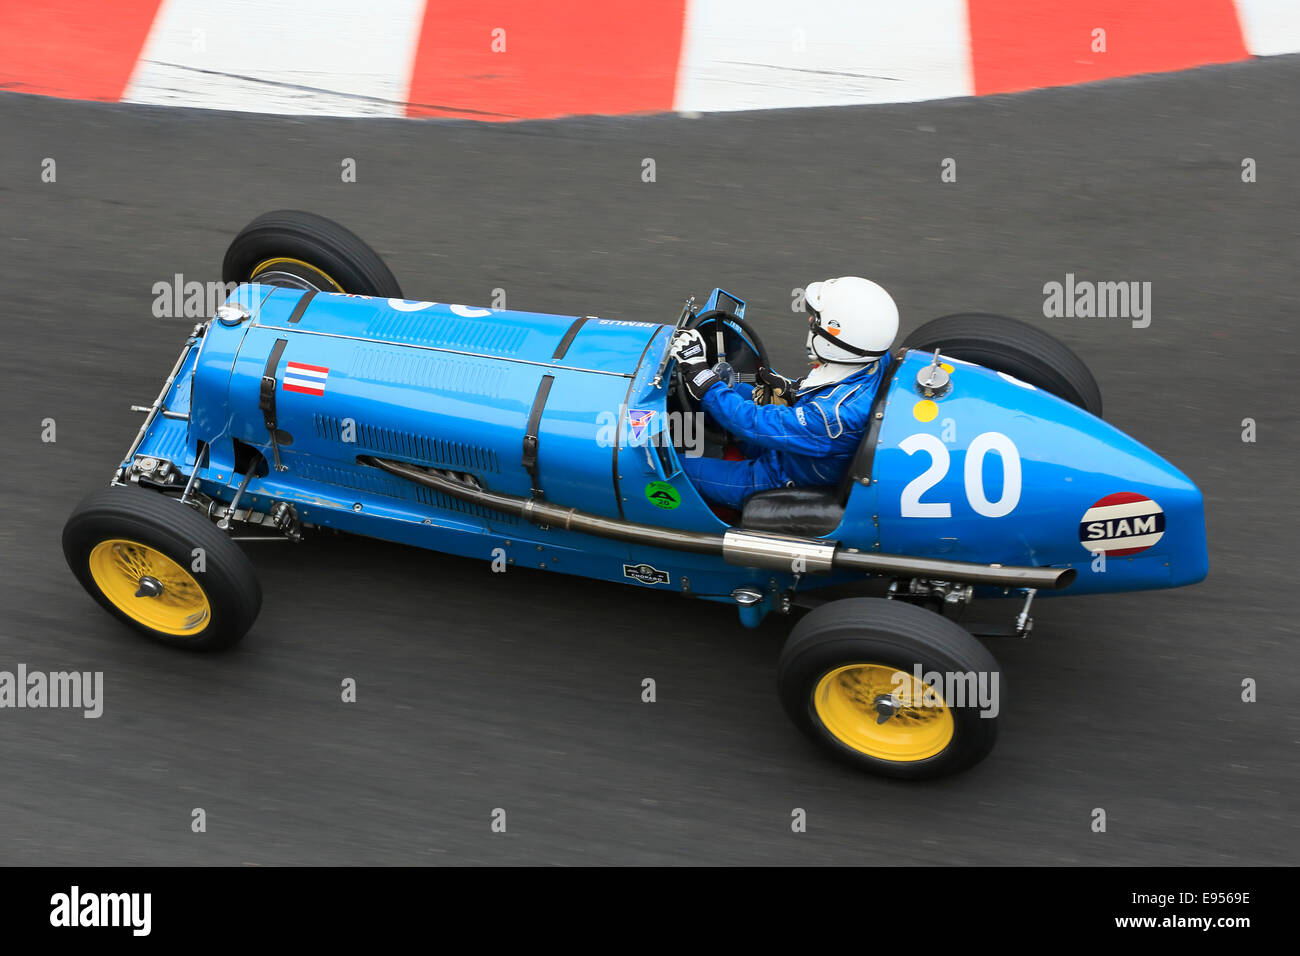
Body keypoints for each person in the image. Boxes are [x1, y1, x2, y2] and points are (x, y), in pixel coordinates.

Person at [673, 277, 899, 510]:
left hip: (776, 478)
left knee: (672, 468)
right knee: (736, 389)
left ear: (840, 337)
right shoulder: (876, 361)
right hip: (801, 453)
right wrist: (792, 391)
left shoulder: (831, 416)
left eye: (817, 320)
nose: (811, 321)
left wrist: (699, 373)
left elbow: (751, 422)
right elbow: (826, 397)